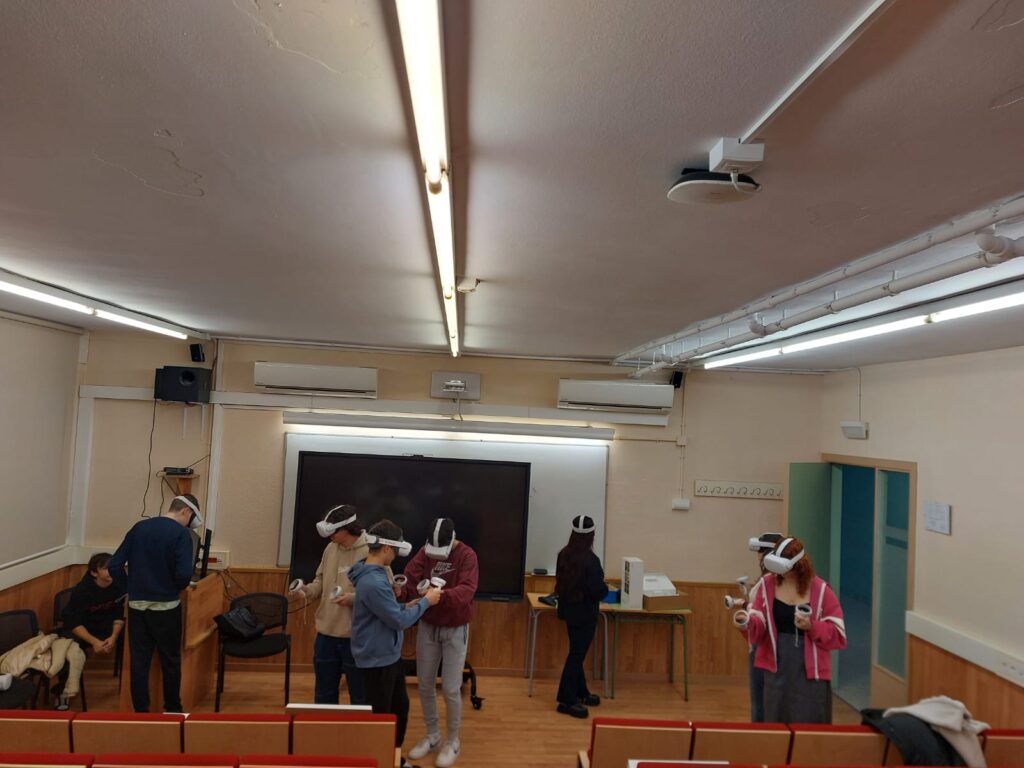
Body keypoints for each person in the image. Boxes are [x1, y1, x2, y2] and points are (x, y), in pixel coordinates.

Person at [733, 536, 846, 724]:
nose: (778, 573)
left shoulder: (821, 590)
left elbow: (838, 635)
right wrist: (746, 622)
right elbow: (759, 622)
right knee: (775, 722)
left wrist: (812, 626)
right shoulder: (767, 585)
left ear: (798, 566)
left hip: (809, 675)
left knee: (808, 724)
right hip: (776, 668)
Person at [108, 494, 201, 713]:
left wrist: (129, 588)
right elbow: (184, 575)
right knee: (170, 660)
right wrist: (173, 588)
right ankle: (172, 710)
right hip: (167, 608)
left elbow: (114, 565)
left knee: (139, 662)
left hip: (137, 607)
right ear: (186, 511)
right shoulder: (181, 534)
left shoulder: (139, 528)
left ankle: (141, 712)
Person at [403, 518, 479, 768]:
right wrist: (406, 591)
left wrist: (441, 596)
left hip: (456, 627)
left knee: (451, 688)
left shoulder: (467, 555)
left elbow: (467, 590)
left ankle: (453, 741)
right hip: (428, 625)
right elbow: (410, 577)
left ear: (452, 539)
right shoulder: (424, 552)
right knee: (425, 684)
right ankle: (433, 735)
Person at [294, 503, 369, 705]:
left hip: (356, 637)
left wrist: (351, 599)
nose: (330, 536)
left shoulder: (371, 551)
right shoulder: (330, 548)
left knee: (360, 698)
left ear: (347, 529)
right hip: (326, 635)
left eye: (333, 532)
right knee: (323, 696)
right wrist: (307, 590)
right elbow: (320, 580)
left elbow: (381, 595)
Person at [53, 552, 126, 709]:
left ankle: (128, 690)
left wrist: (113, 637)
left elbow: (118, 616)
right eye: (106, 568)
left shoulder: (119, 586)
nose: (112, 571)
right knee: (68, 648)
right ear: (94, 572)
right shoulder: (81, 591)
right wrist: (95, 642)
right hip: (80, 629)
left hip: (105, 627)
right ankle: (63, 692)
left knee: (133, 638)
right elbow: (74, 623)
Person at [554, 514, 607, 719]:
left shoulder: (563, 554)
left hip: (569, 613)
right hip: (585, 615)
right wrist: (606, 589)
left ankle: (581, 692)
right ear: (591, 535)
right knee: (577, 655)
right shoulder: (591, 561)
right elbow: (597, 590)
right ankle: (566, 699)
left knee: (577, 652)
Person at [744, 532, 783, 722]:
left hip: (763, 645)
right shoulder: (773, 580)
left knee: (760, 702)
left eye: (760, 551)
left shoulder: (769, 581)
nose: (758, 556)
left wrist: (748, 608)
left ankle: (761, 735)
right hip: (768, 644)